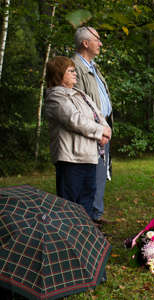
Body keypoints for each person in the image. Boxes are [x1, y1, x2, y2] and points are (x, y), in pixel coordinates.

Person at [44, 56, 111, 220]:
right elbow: (74, 120)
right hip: (70, 158)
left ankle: (86, 238)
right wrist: (100, 130)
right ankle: (68, 240)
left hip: (89, 157)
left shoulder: (80, 94)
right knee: (70, 205)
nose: (75, 73)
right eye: (70, 71)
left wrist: (105, 130)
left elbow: (98, 115)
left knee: (87, 201)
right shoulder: (55, 96)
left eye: (74, 70)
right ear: (59, 74)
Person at [72, 26, 113, 224]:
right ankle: (85, 220)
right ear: (85, 43)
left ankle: (95, 215)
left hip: (102, 130)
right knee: (88, 176)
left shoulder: (93, 66)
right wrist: (97, 130)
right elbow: (78, 104)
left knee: (99, 174)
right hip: (91, 132)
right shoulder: (74, 68)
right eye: (97, 39)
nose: (101, 43)